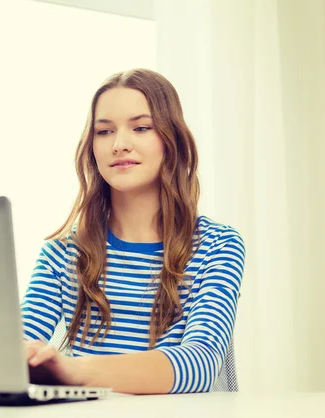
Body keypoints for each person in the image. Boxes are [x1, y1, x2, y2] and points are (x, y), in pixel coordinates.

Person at [20, 68, 246, 395]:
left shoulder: (218, 246)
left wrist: (75, 370)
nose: (119, 144)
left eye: (141, 128)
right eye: (104, 131)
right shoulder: (63, 252)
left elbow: (200, 363)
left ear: (172, 140)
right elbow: (21, 347)